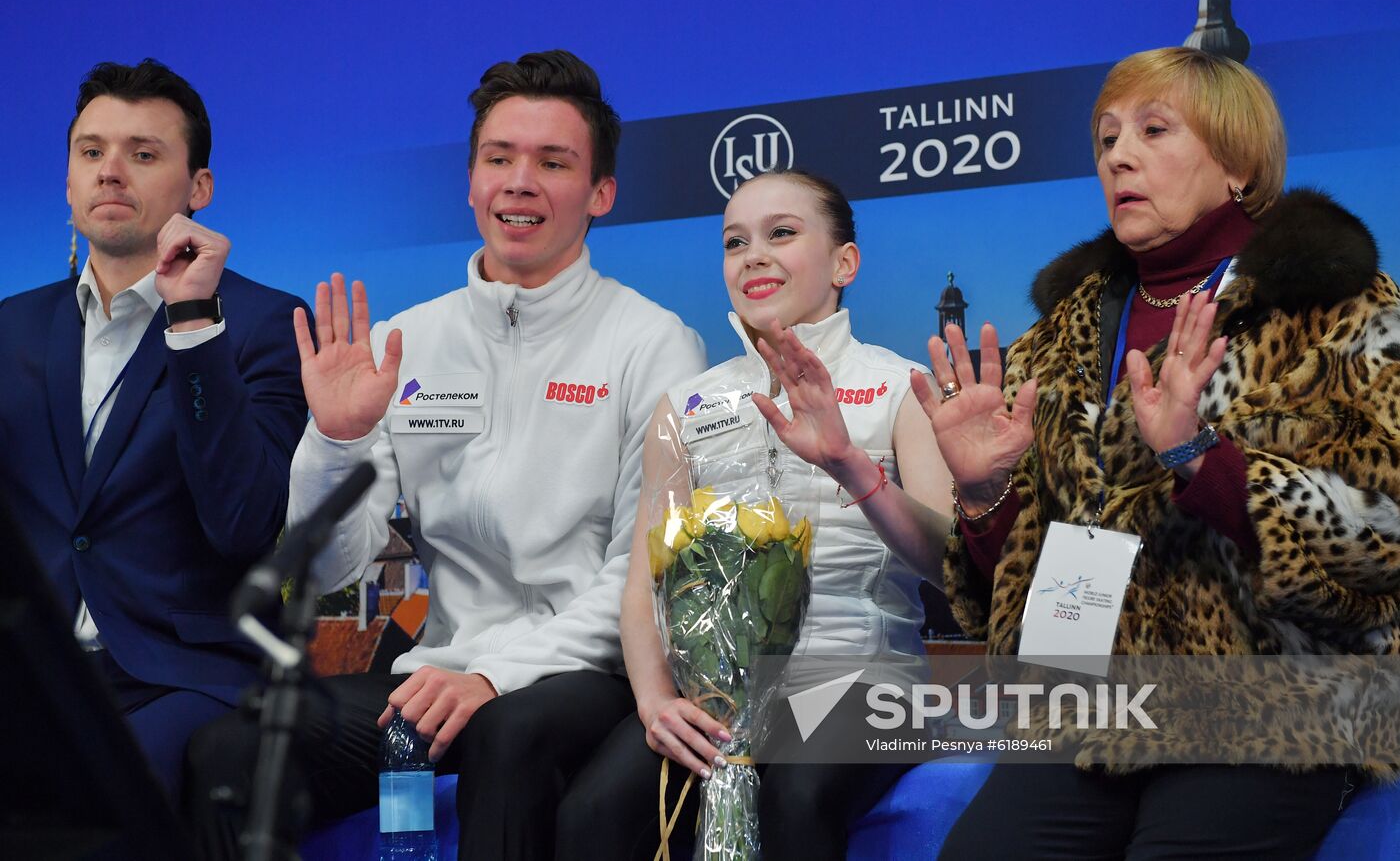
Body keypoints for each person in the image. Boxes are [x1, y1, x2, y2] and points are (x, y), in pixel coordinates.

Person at [185, 49, 706, 860]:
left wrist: (495, 673)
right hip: (435, 674)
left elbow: (641, 576)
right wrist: (337, 436)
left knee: (510, 733)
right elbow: (326, 573)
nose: (519, 181)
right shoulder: (406, 341)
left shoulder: (655, 344)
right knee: (228, 755)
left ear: (601, 194)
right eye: (499, 158)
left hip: (584, 673)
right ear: (469, 182)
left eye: (553, 162)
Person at [927, 46, 1400, 859]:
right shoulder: (1056, 342)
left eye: (1153, 130)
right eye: (1107, 138)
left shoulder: (1343, 308)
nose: (1119, 155)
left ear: (1239, 165)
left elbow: (1385, 537)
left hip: (1274, 699)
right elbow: (1023, 594)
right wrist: (985, 496)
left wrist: (1200, 459)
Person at [559, 169, 953, 860]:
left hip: (863, 683)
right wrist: (655, 701)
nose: (754, 255)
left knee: (795, 800)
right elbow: (648, 576)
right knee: (595, 812)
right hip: (715, 696)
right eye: (734, 241)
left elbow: (954, 564)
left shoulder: (901, 389)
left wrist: (849, 467)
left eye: (782, 234)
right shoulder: (685, 408)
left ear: (844, 263)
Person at [0, 59, 310, 796]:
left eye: (143, 154)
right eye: (92, 152)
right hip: (32, 675)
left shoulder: (267, 325)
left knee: (97, 792)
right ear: (69, 181)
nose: (111, 172)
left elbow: (243, 522)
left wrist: (193, 325)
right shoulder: (11, 328)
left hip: (183, 675)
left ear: (198, 188)